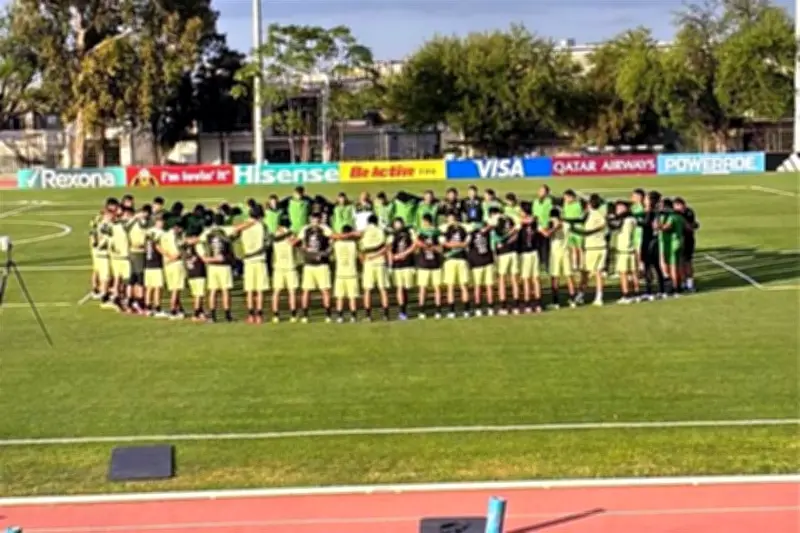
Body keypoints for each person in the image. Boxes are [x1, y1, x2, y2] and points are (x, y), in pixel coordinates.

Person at [299, 212, 334, 323]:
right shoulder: (305, 229)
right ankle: (305, 314)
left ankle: (328, 314)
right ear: (310, 219)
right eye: (313, 220)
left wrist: (324, 254)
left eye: (317, 220)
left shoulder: (325, 229)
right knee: (306, 290)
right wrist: (306, 253)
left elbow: (332, 243)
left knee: (325, 290)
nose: (315, 222)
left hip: (322, 265)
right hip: (309, 265)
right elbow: (301, 244)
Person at [543, 207, 577, 309]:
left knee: (555, 277)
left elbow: (548, 234)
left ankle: (555, 302)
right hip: (566, 251)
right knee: (569, 276)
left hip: (555, 252)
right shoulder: (566, 224)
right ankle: (572, 300)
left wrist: (550, 228)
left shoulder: (553, 222)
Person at [240, 205, 269, 324]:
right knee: (260, 290)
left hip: (248, 260)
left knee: (250, 290)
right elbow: (267, 242)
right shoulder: (262, 226)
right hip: (260, 259)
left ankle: (251, 315)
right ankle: (260, 315)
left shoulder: (244, 226)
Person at [359, 214, 390, 321]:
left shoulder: (364, 231)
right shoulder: (380, 230)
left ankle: (368, 316)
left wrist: (364, 259)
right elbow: (385, 246)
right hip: (380, 262)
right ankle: (386, 315)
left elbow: (361, 248)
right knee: (383, 289)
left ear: (368, 222)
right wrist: (376, 255)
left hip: (369, 262)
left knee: (367, 289)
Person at [441, 211, 471, 318]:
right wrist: (459, 244)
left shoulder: (463, 229)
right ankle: (452, 310)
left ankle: (466, 310)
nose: (451, 221)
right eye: (449, 219)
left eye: (452, 219)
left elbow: (466, 243)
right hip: (450, 260)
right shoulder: (444, 229)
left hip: (461, 259)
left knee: (462, 286)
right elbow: (445, 244)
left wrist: (454, 245)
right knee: (451, 287)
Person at [580, 194, 608, 306]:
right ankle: (599, 296)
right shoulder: (600, 215)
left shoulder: (591, 214)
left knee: (586, 273)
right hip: (601, 246)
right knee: (598, 273)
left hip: (592, 247)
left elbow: (589, 230)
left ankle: (581, 295)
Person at [491, 207, 520, 315]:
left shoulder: (498, 222)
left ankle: (503, 305)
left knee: (502, 279)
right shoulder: (511, 219)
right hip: (514, 252)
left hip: (503, 254)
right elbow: (516, 234)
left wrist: (502, 243)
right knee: (514, 279)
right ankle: (516, 306)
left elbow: (497, 238)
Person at [157, 216, 187, 319]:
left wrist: (166, 255)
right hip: (176, 264)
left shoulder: (164, 235)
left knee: (173, 288)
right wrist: (173, 257)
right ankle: (173, 310)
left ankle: (179, 309)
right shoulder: (176, 236)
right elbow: (179, 252)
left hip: (167, 264)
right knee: (176, 289)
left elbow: (157, 246)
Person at [415, 213, 443, 319]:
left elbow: (417, 243)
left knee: (424, 289)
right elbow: (441, 248)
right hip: (433, 264)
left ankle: (422, 311)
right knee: (436, 288)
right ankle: (437, 311)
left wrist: (428, 247)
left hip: (425, 264)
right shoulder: (436, 232)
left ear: (426, 221)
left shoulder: (428, 232)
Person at [639, 191, 666, 300]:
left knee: (650, 266)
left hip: (649, 241)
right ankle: (659, 290)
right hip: (653, 240)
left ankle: (652, 291)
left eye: (646, 198)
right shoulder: (656, 211)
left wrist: (635, 221)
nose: (644, 200)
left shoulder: (651, 212)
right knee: (654, 266)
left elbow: (646, 224)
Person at [271, 220, 299, 322]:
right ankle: (293, 315)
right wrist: (289, 234)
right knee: (291, 292)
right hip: (289, 267)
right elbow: (294, 244)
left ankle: (276, 315)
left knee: (277, 292)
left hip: (281, 268)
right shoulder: (290, 235)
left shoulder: (277, 234)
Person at [389, 217, 417, 320]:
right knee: (399, 288)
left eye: (399, 224)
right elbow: (389, 249)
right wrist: (392, 259)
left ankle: (405, 308)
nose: (398, 226)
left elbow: (415, 244)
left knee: (407, 288)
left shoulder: (409, 232)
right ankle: (402, 311)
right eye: (396, 224)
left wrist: (405, 253)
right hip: (397, 265)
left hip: (408, 263)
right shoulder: (392, 235)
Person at [612, 201, 640, 303]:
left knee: (623, 273)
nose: (617, 210)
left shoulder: (625, 220)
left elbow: (614, 226)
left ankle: (626, 295)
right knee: (633, 273)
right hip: (631, 249)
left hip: (623, 250)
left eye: (619, 208)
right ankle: (636, 294)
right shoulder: (633, 219)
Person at [561, 189, 586, 301]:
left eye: (567, 197)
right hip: (570, 229)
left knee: (579, 248)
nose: (565, 199)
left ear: (571, 197)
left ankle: (580, 263)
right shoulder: (566, 205)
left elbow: (580, 217)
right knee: (572, 248)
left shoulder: (577, 205)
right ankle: (575, 264)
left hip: (578, 229)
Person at [467, 220, 495, 316]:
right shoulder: (486, 232)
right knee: (488, 286)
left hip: (477, 262)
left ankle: (479, 308)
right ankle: (489, 308)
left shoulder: (471, 234)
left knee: (479, 286)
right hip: (486, 261)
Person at [517, 206, 543, 313]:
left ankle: (528, 304)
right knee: (535, 279)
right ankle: (537, 304)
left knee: (526, 279)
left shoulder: (520, 224)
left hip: (525, 254)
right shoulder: (535, 222)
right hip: (534, 253)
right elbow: (544, 232)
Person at [657, 198, 684, 296]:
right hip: (677, 242)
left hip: (671, 244)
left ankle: (674, 289)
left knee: (672, 267)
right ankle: (677, 287)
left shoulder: (670, 217)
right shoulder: (678, 216)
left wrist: (658, 223)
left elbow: (666, 228)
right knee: (675, 266)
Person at [333, 224, 360, 322]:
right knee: (352, 297)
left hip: (340, 274)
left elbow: (333, 236)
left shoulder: (336, 244)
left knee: (339, 297)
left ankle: (340, 316)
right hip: (352, 273)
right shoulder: (354, 244)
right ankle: (353, 316)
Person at [673, 197, 698, 292]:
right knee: (680, 263)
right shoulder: (676, 214)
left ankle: (689, 284)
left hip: (687, 240)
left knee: (686, 262)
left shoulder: (688, 212)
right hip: (679, 240)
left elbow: (689, 226)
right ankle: (683, 283)